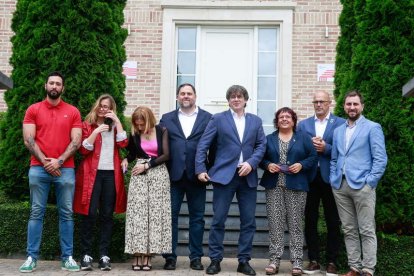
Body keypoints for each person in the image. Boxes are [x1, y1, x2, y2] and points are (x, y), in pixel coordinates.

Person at [195, 85, 266, 276]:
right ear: (228, 100)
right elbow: (203, 145)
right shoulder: (218, 119)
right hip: (223, 176)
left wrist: (251, 163)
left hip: (247, 176)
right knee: (218, 220)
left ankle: (244, 261)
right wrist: (200, 169)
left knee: (249, 222)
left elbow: (261, 145)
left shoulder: (256, 121)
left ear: (246, 100)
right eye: (232, 97)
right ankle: (215, 260)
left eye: (240, 96)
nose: (236, 99)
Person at [20, 71, 82, 273]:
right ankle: (31, 257)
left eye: (58, 84)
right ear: (46, 86)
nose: (54, 86)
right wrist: (47, 163)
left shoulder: (73, 111)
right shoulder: (33, 109)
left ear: (63, 88)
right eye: (51, 83)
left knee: (66, 214)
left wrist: (59, 161)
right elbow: (29, 139)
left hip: (65, 169)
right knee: (36, 212)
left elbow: (76, 141)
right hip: (38, 169)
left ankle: (68, 258)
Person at [330, 90, 387, 276]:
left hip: (363, 186)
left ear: (362, 106)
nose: (352, 107)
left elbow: (380, 159)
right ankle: (354, 266)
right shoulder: (338, 131)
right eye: (348, 104)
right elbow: (334, 158)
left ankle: (368, 269)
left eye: (355, 104)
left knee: (366, 229)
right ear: (344, 106)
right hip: (340, 185)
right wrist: (333, 179)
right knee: (348, 229)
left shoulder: (372, 127)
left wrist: (370, 182)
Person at [160, 83, 212, 270]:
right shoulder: (166, 119)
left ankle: (196, 257)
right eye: (182, 94)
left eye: (189, 93)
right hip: (173, 175)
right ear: (177, 97)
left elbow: (214, 147)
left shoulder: (207, 118)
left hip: (197, 176)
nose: (186, 96)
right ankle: (170, 257)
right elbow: (159, 146)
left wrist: (209, 169)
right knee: (170, 218)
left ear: (195, 96)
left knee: (197, 219)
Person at [259, 107, 317, 276]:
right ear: (276, 121)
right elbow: (261, 158)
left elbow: (312, 157)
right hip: (274, 186)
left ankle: (297, 262)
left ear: (293, 120)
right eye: (281, 117)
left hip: (297, 186)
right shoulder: (268, 139)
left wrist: (302, 165)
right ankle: (274, 260)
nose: (284, 119)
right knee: (275, 224)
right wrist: (268, 165)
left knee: (296, 224)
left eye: (288, 116)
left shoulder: (304, 138)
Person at [73, 94, 128, 271]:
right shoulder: (87, 125)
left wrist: (117, 121)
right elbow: (83, 150)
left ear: (112, 109)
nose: (104, 109)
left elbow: (124, 143)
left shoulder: (115, 126)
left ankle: (104, 255)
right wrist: (96, 131)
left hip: (111, 174)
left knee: (106, 215)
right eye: (102, 106)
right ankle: (86, 255)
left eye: (108, 107)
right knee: (89, 214)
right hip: (91, 174)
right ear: (97, 106)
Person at [297, 92, 345, 275]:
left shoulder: (340, 124)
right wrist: (309, 146)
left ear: (329, 103)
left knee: (333, 220)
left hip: (331, 177)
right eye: (315, 101)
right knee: (310, 220)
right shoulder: (303, 125)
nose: (318, 104)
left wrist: (326, 148)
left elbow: (343, 151)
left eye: (322, 101)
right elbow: (298, 149)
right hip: (309, 178)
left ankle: (332, 261)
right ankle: (314, 260)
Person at [122, 106, 172, 271]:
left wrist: (148, 165)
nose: (139, 127)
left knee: (155, 215)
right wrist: (125, 160)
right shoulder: (135, 133)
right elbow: (131, 153)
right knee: (138, 215)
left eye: (142, 124)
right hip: (139, 175)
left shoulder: (162, 130)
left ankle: (147, 255)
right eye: (137, 124)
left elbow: (166, 155)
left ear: (149, 120)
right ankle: (137, 254)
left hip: (158, 174)